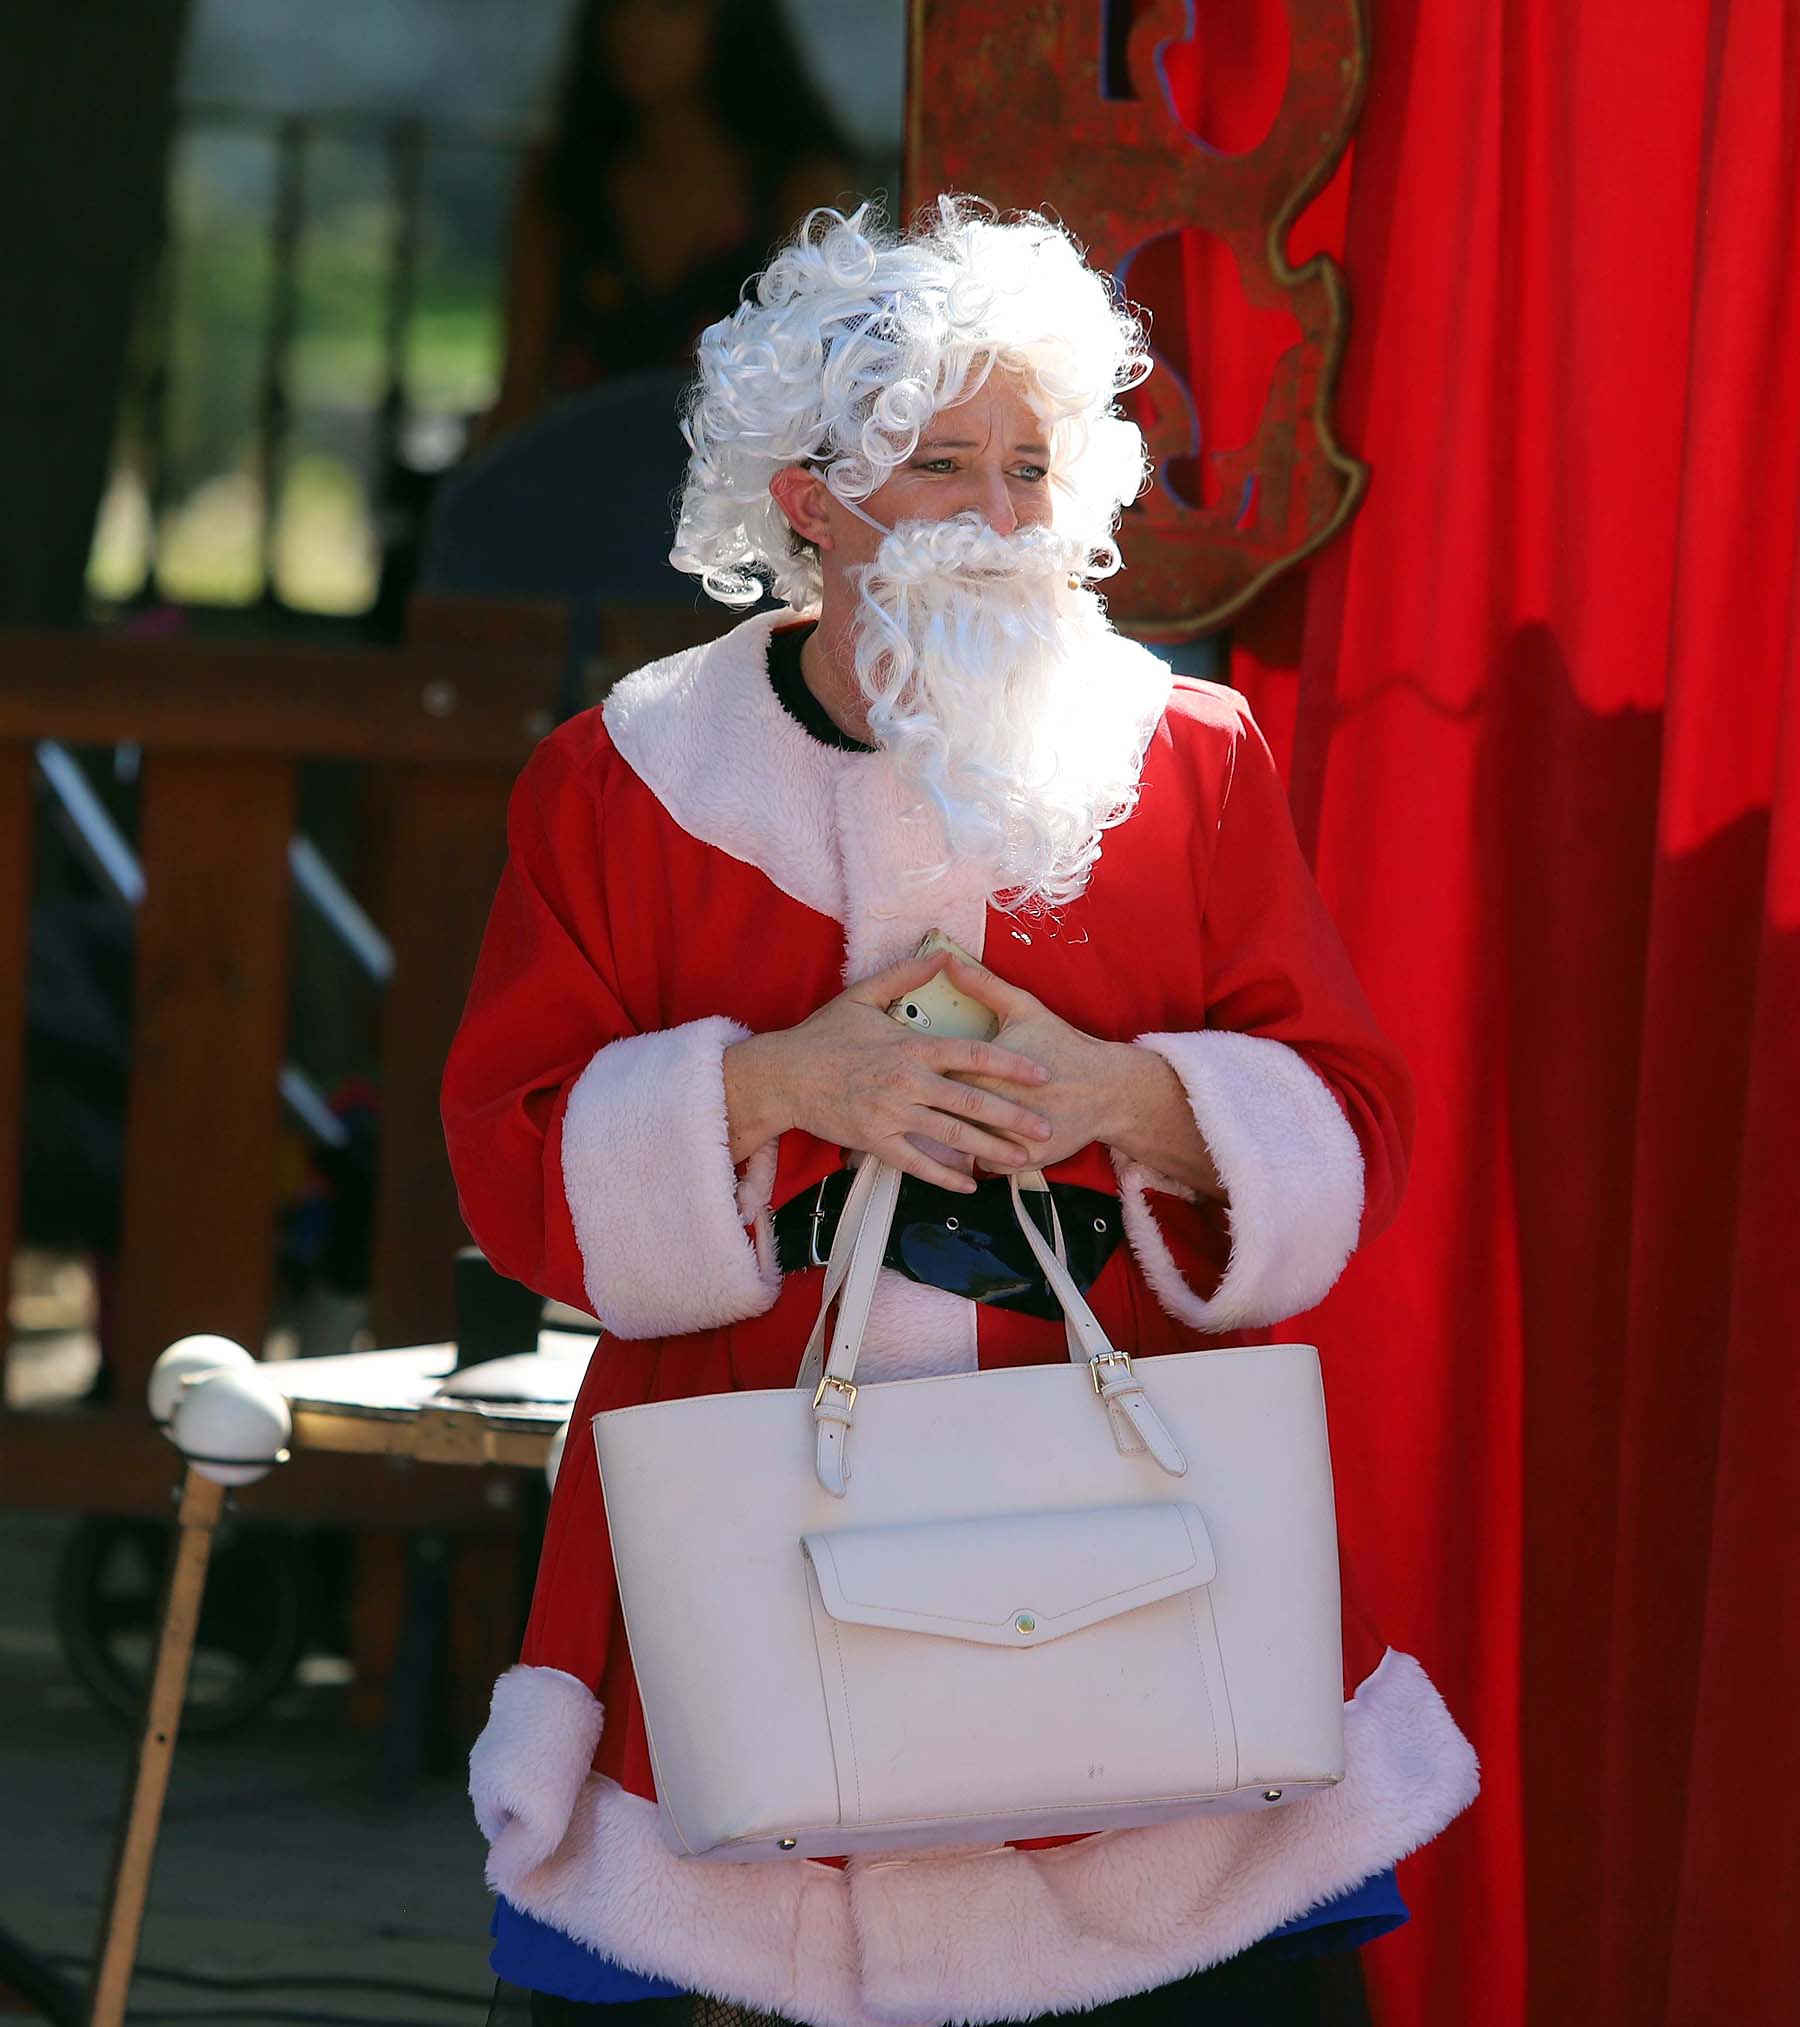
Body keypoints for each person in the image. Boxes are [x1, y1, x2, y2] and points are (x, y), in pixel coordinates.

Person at [442, 200, 1478, 2027]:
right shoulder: (617, 781)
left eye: (1031, 465)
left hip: (1132, 1515)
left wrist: (1132, 1101)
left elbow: (1351, 1121)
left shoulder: (1196, 762)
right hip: (730, 1506)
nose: (1005, 516)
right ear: (810, 500)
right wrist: (776, 1085)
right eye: (941, 464)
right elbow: (515, 1166)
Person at [478, 0, 855, 445]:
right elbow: (519, 388)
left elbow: (830, 402)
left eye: (670, 8)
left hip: (743, 496)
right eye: (620, 7)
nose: (636, 27)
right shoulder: (565, 184)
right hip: (580, 490)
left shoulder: (800, 188)